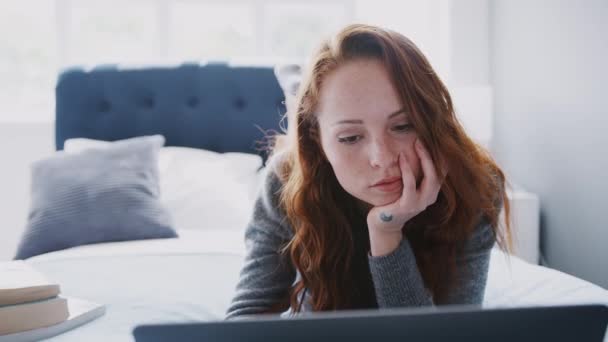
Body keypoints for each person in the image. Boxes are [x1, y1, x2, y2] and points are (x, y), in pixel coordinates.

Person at [225, 23, 511, 319]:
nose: (382, 158)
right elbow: (245, 320)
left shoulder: (474, 187)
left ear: (431, 122)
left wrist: (386, 233)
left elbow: (442, 336)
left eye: (403, 126)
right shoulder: (286, 181)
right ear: (317, 139)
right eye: (350, 138)